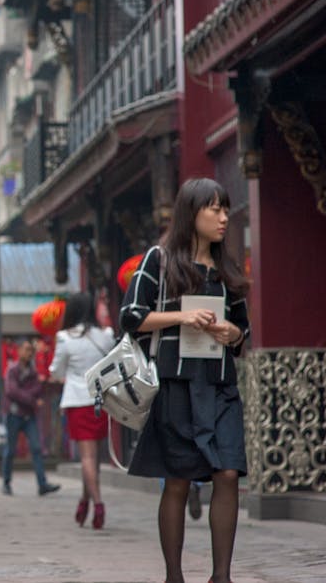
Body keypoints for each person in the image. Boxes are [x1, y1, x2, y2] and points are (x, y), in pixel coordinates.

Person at [119, 178, 249, 583]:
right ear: (192, 214)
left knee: (228, 473)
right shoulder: (158, 260)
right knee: (176, 480)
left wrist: (233, 333)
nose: (224, 218)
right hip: (175, 384)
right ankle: (174, 575)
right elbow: (132, 316)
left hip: (220, 384)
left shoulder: (227, 268)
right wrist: (182, 317)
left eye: (226, 210)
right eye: (215, 209)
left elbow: (243, 329)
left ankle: (221, 576)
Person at [49, 292, 114, 529]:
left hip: (77, 400)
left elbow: (56, 371)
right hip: (101, 401)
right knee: (94, 457)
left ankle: (97, 503)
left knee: (86, 457)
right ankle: (85, 500)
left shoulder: (65, 338)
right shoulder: (106, 335)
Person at [0, 338, 61, 497]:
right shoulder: (12, 370)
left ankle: (42, 484)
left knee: (36, 448)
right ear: (19, 350)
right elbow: (11, 391)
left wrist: (27, 396)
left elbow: (37, 389)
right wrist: (32, 400)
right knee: (10, 450)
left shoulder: (34, 372)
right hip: (13, 414)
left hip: (28, 415)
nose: (29, 353)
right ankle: (6, 482)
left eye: (30, 350)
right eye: (26, 349)